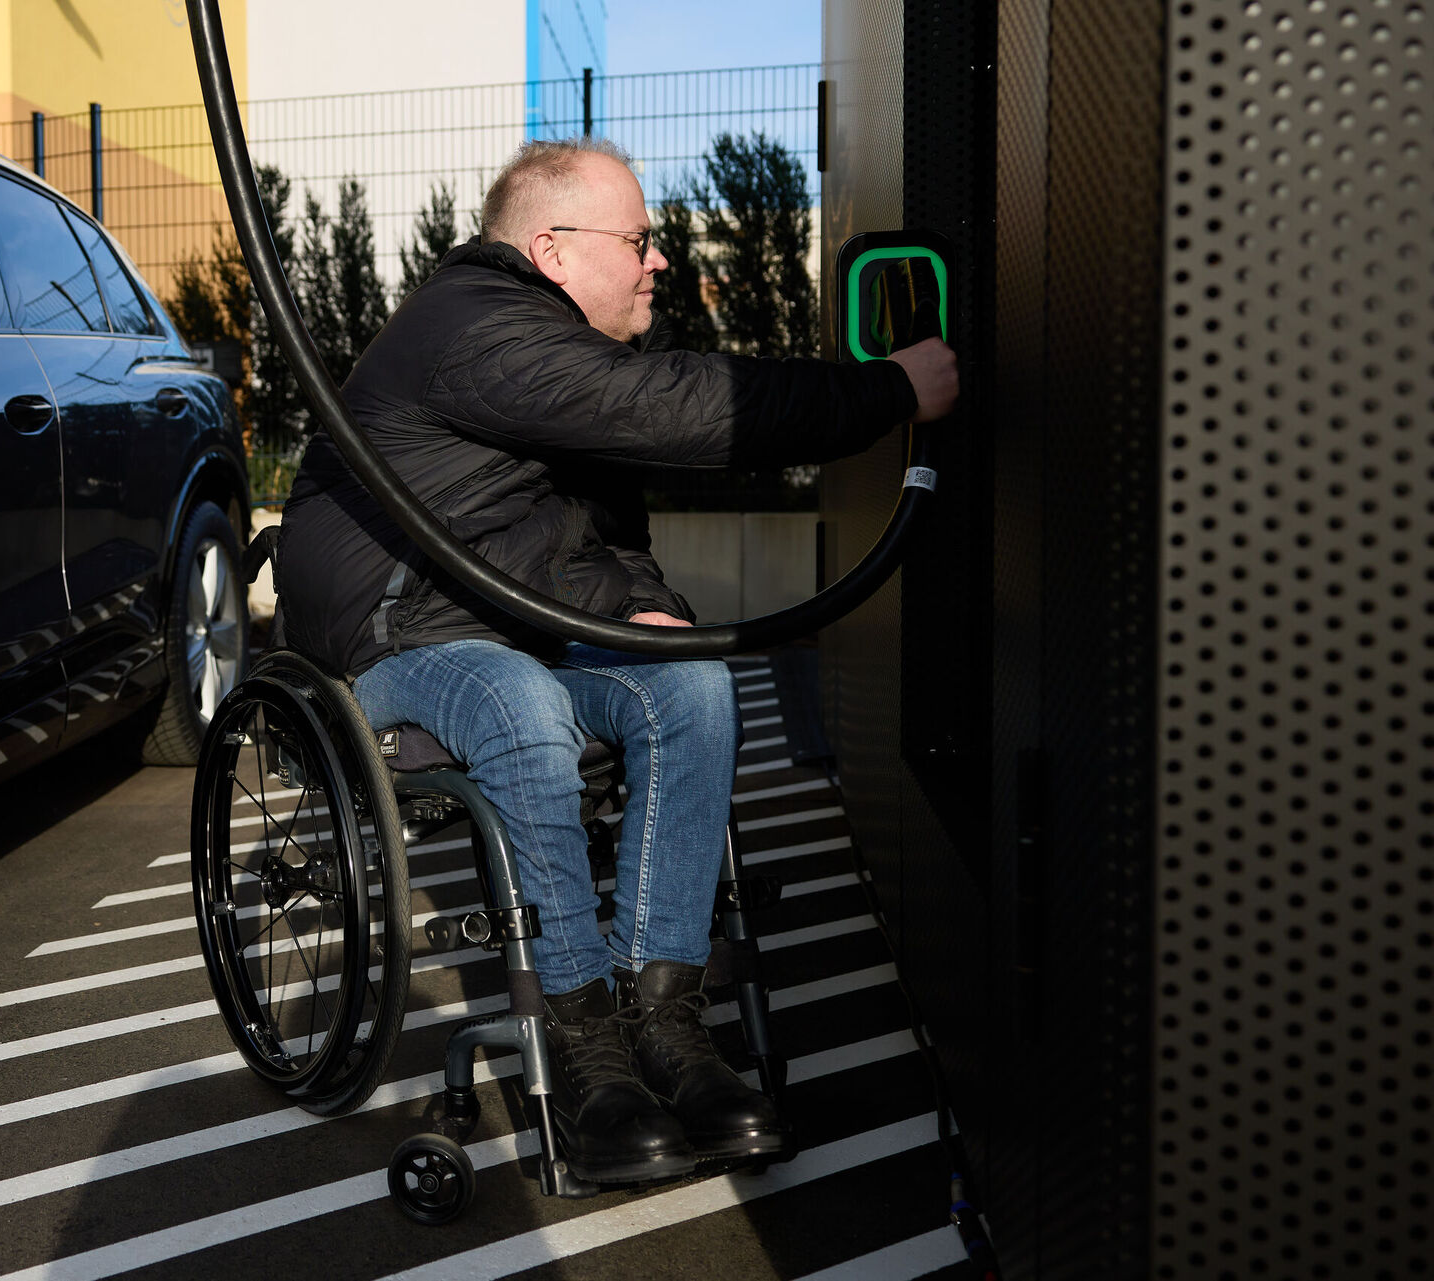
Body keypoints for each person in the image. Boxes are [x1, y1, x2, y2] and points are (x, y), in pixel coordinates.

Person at [275, 137, 959, 1184]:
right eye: (638, 239)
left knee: (688, 682)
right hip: (401, 640)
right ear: (551, 249)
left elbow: (590, 549)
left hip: (512, 627)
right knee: (517, 704)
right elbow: (679, 409)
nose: (659, 261)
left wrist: (648, 614)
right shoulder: (478, 329)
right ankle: (588, 1051)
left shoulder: (554, 355)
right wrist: (885, 394)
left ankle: (670, 1027)